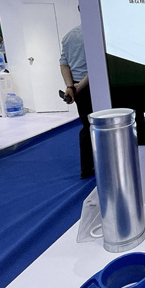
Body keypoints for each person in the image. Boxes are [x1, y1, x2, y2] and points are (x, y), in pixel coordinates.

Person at [60, 25, 94, 179]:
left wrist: (71, 86)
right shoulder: (97, 32)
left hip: (79, 88)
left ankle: (87, 168)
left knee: (87, 126)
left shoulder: (69, 36)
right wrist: (79, 86)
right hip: (94, 85)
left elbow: (64, 64)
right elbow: (97, 64)